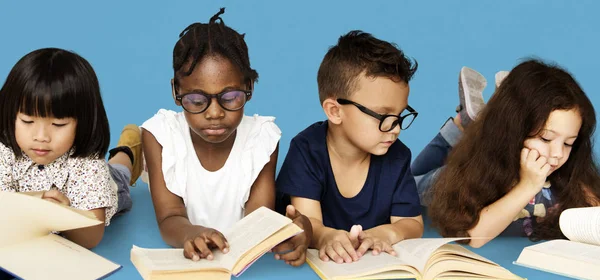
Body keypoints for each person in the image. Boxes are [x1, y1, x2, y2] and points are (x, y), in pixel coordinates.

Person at [141, 8, 311, 266]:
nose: (215, 113)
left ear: (249, 88)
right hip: (149, 153)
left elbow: (258, 215)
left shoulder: (262, 138)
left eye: (230, 98)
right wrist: (190, 233)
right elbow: (169, 217)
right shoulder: (160, 135)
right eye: (197, 100)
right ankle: (127, 152)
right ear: (176, 91)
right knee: (119, 177)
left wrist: (294, 230)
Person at [412, 60, 600, 247]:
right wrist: (528, 186)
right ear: (512, 132)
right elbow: (472, 237)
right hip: (434, 185)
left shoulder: (572, 177)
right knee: (408, 181)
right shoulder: (472, 173)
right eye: (545, 139)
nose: (558, 154)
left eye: (569, 143)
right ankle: (462, 123)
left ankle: (485, 118)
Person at [276, 31, 424, 264]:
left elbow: (413, 223)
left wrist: (386, 233)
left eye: (400, 115)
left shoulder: (397, 155)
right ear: (335, 111)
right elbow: (307, 221)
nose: (395, 128)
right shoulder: (307, 150)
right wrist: (327, 237)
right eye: (384, 115)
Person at [0, 48, 143, 249]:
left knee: (119, 172)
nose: (41, 137)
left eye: (58, 125)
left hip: (109, 187)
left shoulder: (89, 165)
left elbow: (91, 238)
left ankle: (129, 147)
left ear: (84, 121)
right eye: (27, 120)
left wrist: (65, 216)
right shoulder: (5, 151)